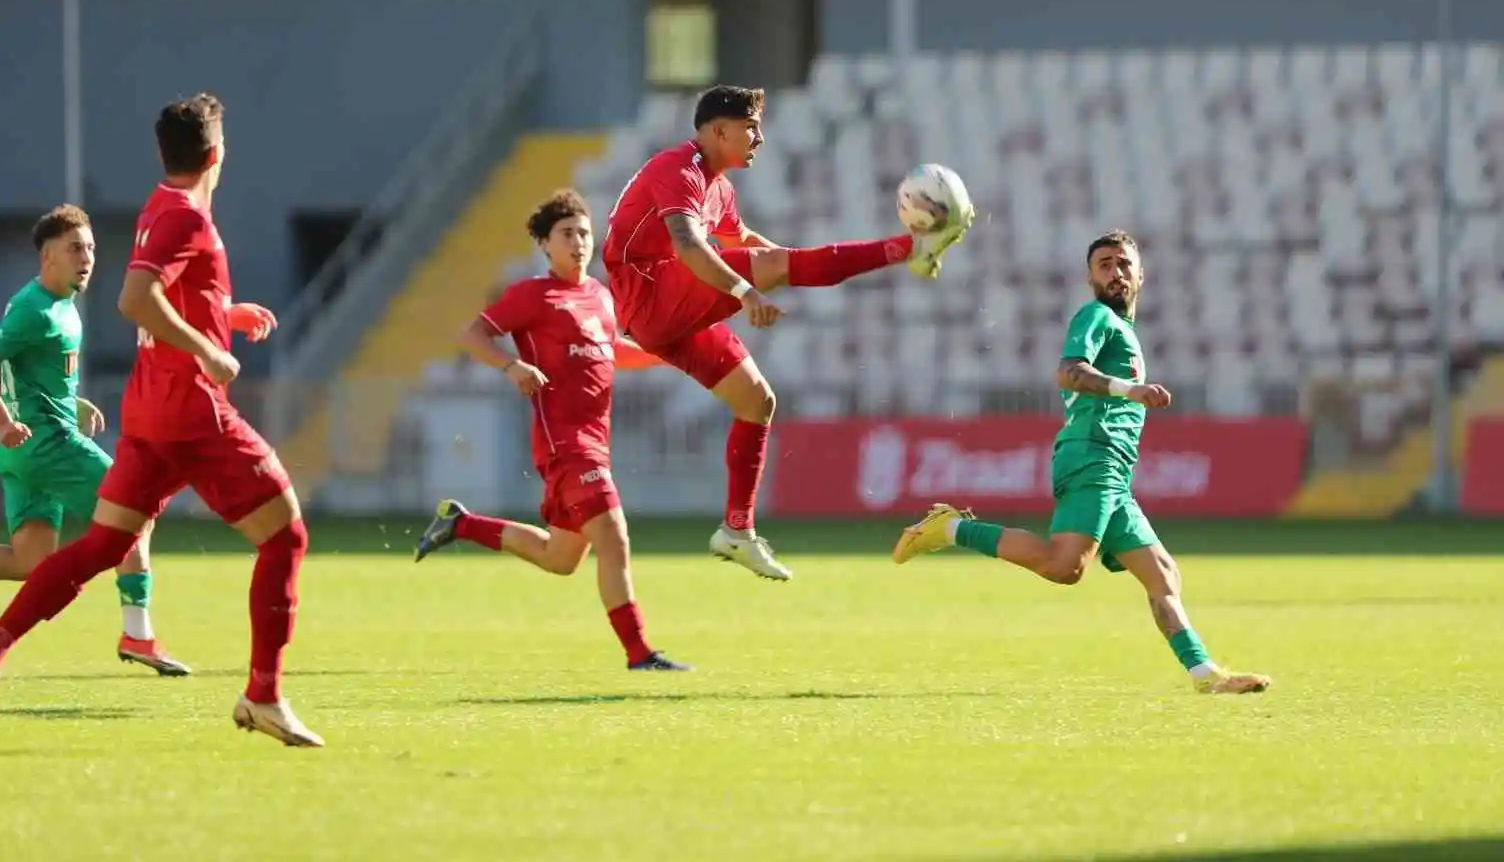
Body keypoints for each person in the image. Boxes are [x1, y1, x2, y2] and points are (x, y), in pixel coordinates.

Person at [0, 93, 323, 745]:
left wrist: (224, 319)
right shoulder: (187, 218)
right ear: (217, 153)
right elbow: (135, 298)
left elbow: (165, 296)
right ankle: (263, 694)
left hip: (150, 413)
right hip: (191, 413)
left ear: (163, 153)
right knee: (285, 537)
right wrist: (209, 349)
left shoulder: (160, 206)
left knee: (100, 546)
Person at [602, 84, 973, 581]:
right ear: (718, 130)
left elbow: (746, 243)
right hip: (647, 293)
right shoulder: (679, 168)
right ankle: (908, 248)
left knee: (757, 401)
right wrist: (747, 289)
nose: (759, 137)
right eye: (751, 127)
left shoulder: (718, 185)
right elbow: (690, 246)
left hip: (664, 316)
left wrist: (789, 266)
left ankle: (737, 531)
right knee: (774, 270)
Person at [892, 230, 1272, 695]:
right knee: (1064, 567)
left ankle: (1205, 676)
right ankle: (949, 528)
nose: (1115, 271)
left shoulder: (1125, 331)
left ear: (1141, 273)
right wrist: (1128, 389)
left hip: (1114, 469)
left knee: (1163, 574)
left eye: (1123, 263)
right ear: (1091, 277)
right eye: (1104, 264)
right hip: (1091, 456)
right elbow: (1069, 371)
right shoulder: (1095, 316)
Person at [0, 205, 187, 676]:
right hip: (44, 445)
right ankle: (138, 632)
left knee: (30, 560)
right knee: (133, 511)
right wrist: (0, 421)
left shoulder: (56, 306)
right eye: (76, 248)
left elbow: (23, 369)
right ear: (47, 256)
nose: (87, 258)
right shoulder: (37, 309)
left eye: (91, 248)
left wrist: (68, 402)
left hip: (24, 450)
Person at [415, 189, 690, 671]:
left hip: (595, 446)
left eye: (584, 233)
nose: (579, 242)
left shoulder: (600, 297)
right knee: (615, 538)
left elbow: (611, 353)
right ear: (544, 243)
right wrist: (510, 366)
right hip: (566, 446)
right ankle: (640, 653)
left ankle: (460, 523)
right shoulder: (531, 296)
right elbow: (471, 335)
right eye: (567, 234)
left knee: (560, 558)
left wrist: (661, 354)